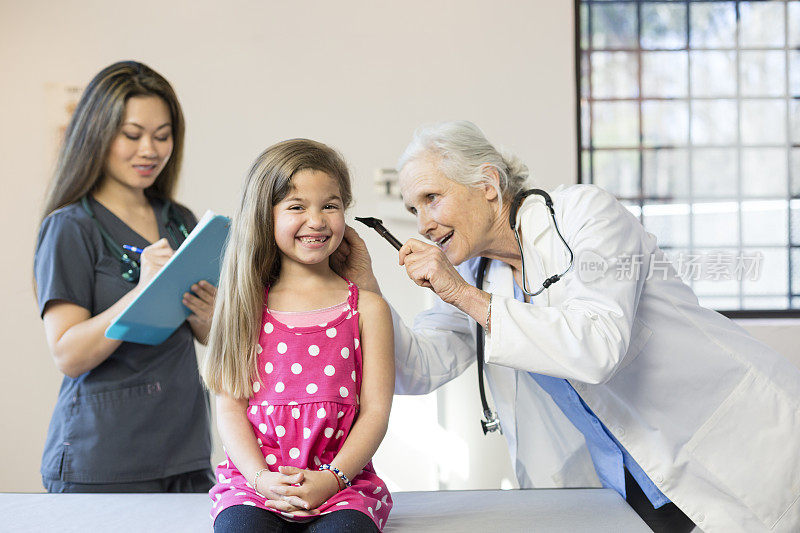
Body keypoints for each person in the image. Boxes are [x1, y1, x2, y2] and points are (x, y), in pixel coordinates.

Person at [333, 120, 800, 533]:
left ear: (489, 183)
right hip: (630, 485)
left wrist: (464, 297)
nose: (424, 224)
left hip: (735, 449)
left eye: (432, 198)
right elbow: (418, 369)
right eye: (414, 209)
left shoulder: (584, 216)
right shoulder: (479, 276)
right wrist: (367, 289)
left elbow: (599, 346)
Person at [34, 61, 215, 493]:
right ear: (98, 133)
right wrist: (142, 292)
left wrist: (208, 316)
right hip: (102, 455)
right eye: (132, 135)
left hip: (185, 449)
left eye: (162, 134)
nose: (149, 150)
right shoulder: (71, 227)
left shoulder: (181, 221)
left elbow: (209, 335)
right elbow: (68, 354)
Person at [201, 139, 394, 533]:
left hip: (342, 484)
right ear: (265, 217)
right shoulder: (244, 306)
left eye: (330, 205)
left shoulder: (369, 310)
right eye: (296, 206)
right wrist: (260, 479)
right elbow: (230, 410)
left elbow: (376, 413)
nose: (317, 220)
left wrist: (332, 479)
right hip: (255, 485)